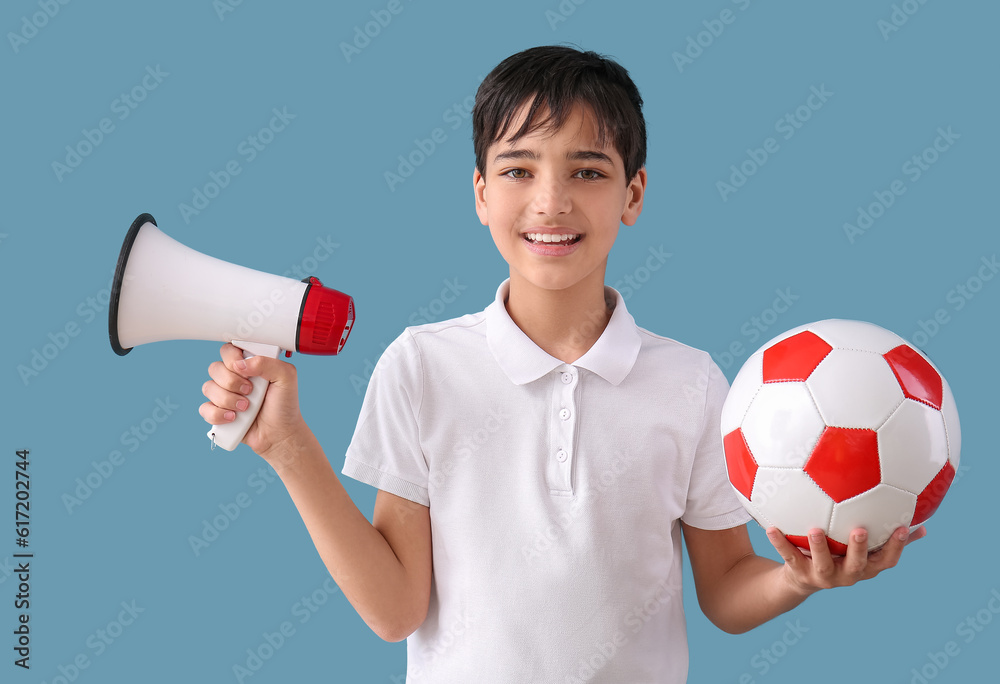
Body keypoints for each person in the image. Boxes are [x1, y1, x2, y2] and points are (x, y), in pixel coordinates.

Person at [199, 45, 922, 682]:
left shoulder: (694, 383)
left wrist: (798, 579)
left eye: (587, 170)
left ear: (633, 194)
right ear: (480, 194)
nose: (550, 202)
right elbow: (395, 612)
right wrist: (288, 448)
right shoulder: (421, 366)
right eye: (517, 169)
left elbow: (726, 591)